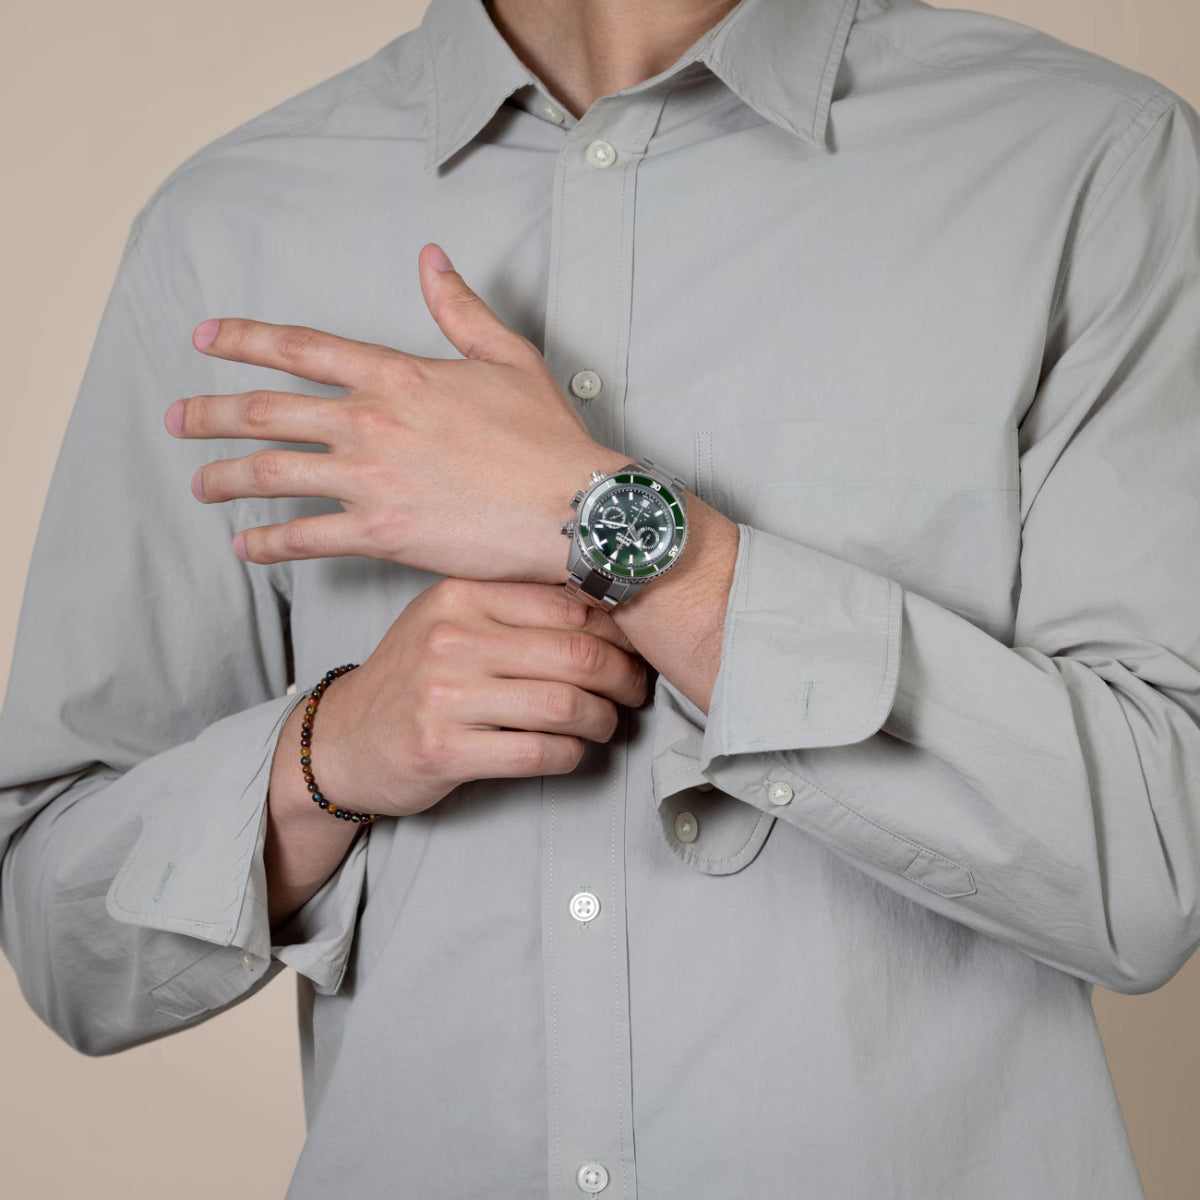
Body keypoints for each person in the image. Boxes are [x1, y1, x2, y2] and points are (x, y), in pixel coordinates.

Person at [3, 0, 1200, 1194]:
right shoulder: (234, 227)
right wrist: (334, 749)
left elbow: (1155, 865)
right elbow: (67, 948)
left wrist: (626, 536)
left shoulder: (1084, 163)